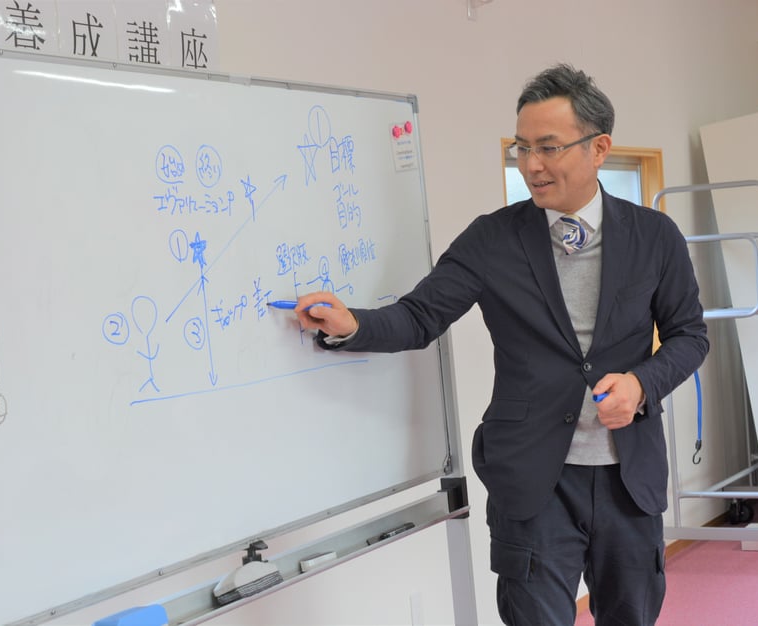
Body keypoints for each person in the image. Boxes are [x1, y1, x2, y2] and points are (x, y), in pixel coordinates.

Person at [291, 64, 709, 625]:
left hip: (628, 479)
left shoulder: (654, 236)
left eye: (549, 147)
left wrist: (640, 384)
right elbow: (420, 316)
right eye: (522, 147)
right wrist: (352, 325)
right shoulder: (493, 238)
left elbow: (690, 335)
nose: (531, 164)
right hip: (533, 482)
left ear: (599, 148)